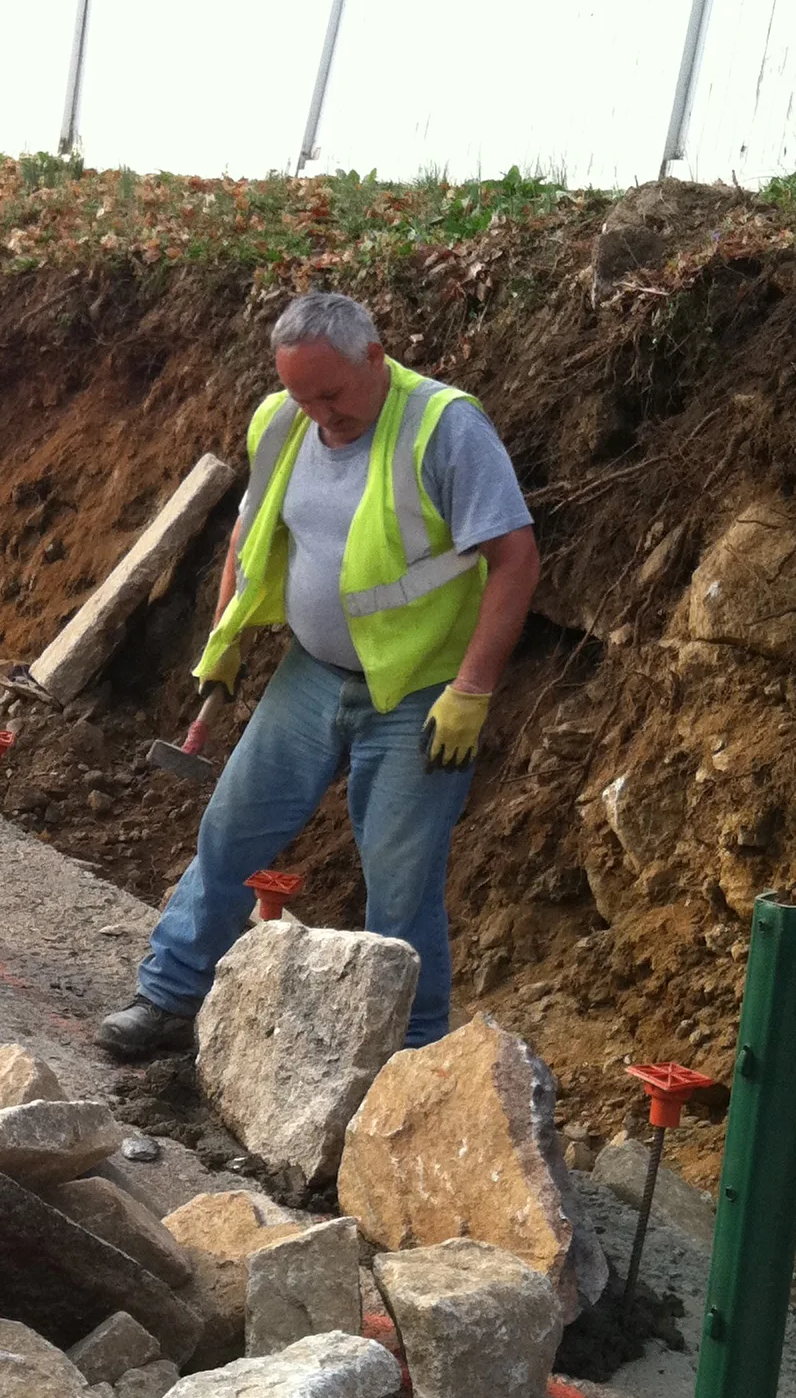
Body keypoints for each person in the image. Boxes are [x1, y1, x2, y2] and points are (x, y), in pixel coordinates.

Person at [98, 290, 540, 1062]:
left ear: (375, 357)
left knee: (400, 880)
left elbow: (516, 560)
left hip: (416, 691)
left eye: (331, 395)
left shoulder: (444, 428)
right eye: (303, 397)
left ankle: (415, 1055)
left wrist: (471, 689)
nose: (320, 415)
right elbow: (251, 526)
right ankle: (170, 996)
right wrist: (225, 635)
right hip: (309, 674)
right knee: (231, 832)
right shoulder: (283, 420)